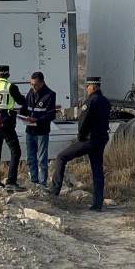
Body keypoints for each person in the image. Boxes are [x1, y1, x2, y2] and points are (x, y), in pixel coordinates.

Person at [50, 76, 110, 210]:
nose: (87, 89)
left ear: (93, 87)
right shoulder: (105, 101)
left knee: (61, 157)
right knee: (97, 171)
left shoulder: (90, 101)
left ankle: (54, 191)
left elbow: (83, 122)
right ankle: (97, 204)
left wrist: (80, 137)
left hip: (89, 140)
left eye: (88, 86)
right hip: (100, 140)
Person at [0, 64, 26, 190]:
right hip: (6, 122)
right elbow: (21, 101)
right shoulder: (11, 87)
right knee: (16, 151)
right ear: (8, 75)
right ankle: (11, 181)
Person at [21, 71, 57, 188]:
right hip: (30, 131)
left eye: (35, 84)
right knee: (31, 158)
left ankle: (42, 183)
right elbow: (26, 108)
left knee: (42, 158)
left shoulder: (50, 94)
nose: (33, 87)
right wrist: (22, 114)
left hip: (42, 131)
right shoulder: (31, 92)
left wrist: (36, 120)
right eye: (31, 84)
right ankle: (34, 180)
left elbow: (51, 115)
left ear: (41, 83)